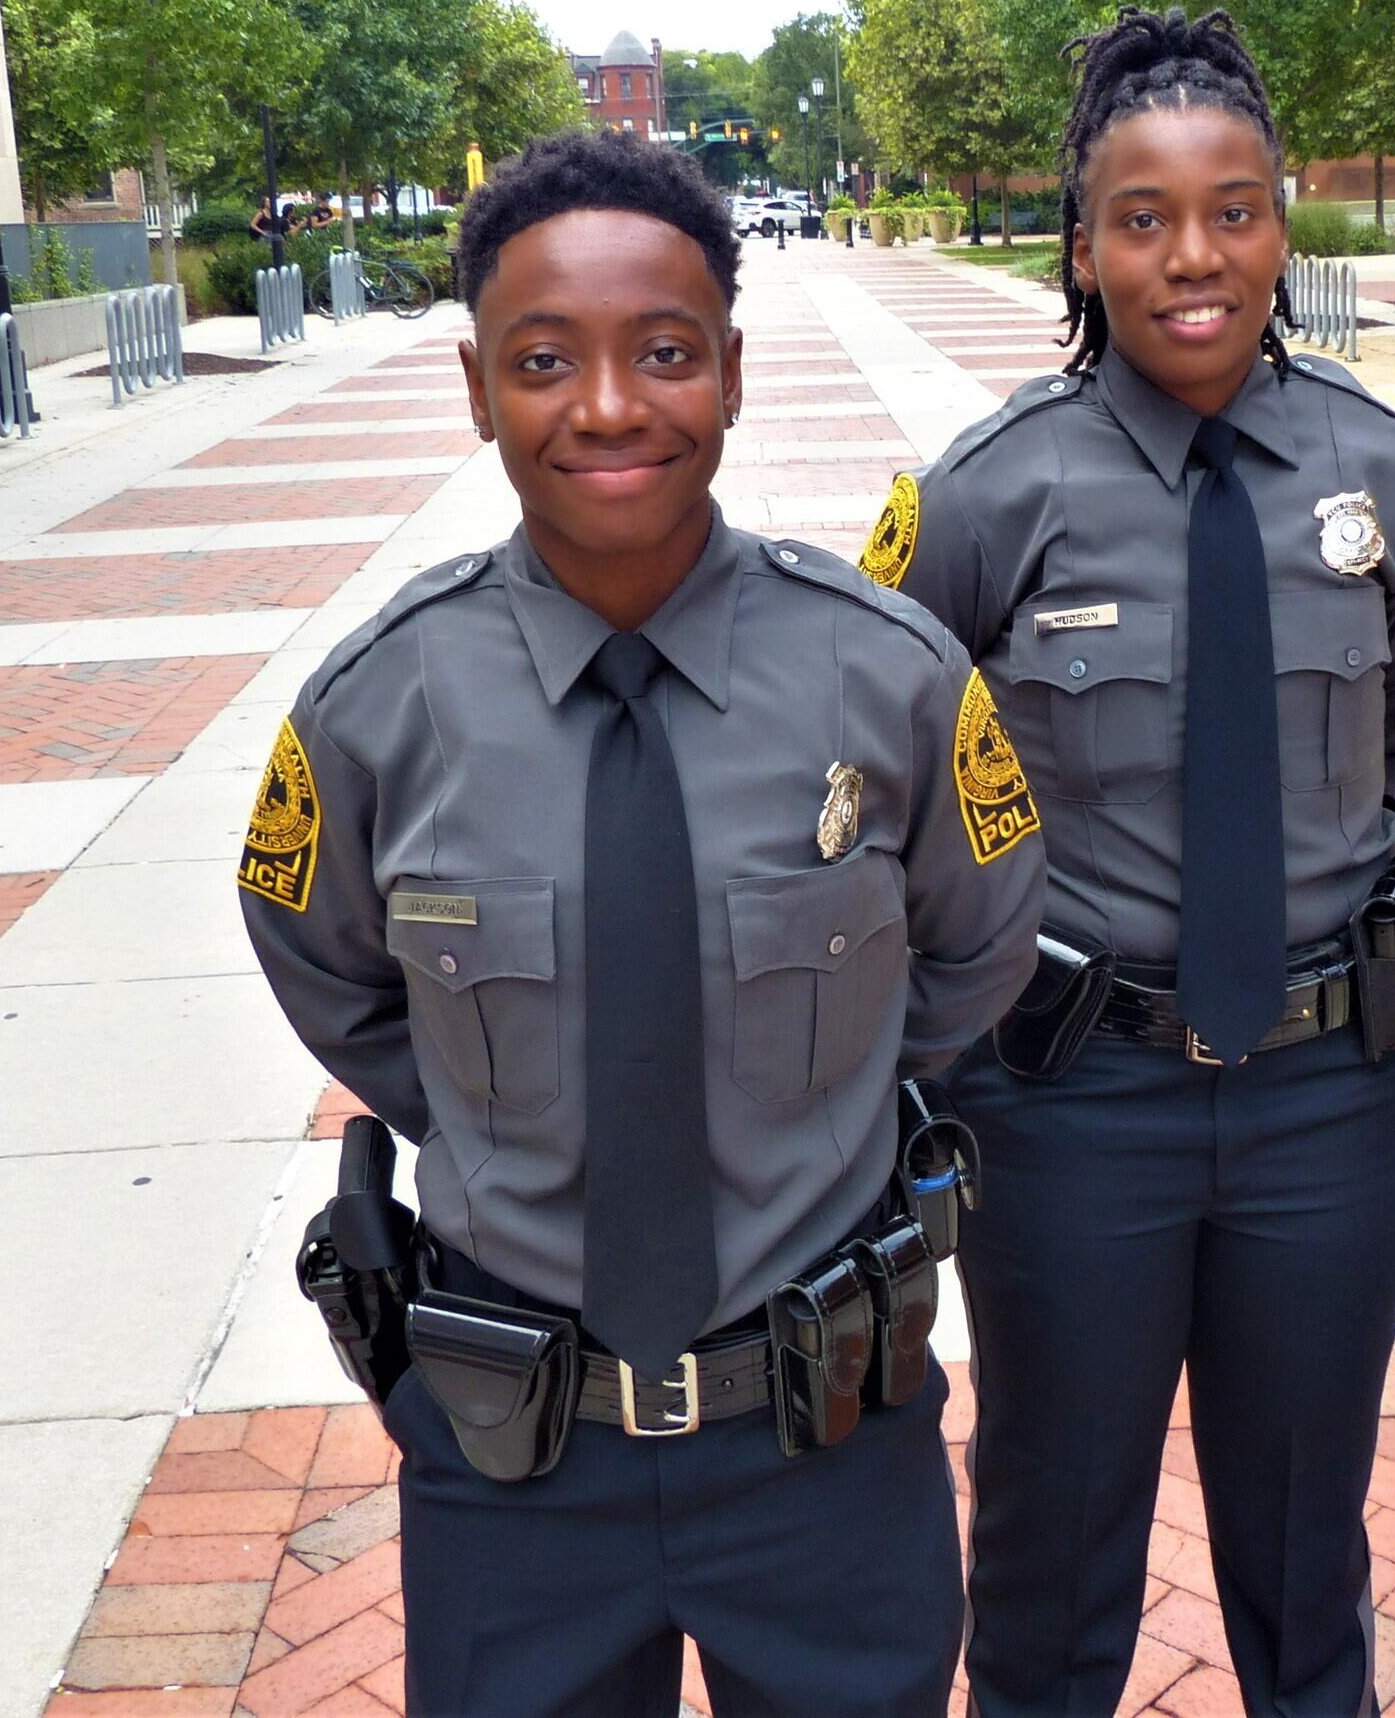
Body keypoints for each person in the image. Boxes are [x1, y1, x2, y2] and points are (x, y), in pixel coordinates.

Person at [239, 127, 1045, 1717]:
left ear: (733, 373)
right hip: (513, 1469)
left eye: (664, 352)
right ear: (479, 387)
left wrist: (799, 1104)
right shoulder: (378, 711)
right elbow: (332, 972)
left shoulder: (887, 681)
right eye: (546, 360)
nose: (609, 405)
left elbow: (973, 949)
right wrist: (518, 1109)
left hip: (825, 1448)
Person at [869, 6, 1395, 1717]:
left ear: (1283, 224)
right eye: (1142, 218)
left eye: (1233, 208)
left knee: (1309, 1565)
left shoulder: (1392, 478)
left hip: (1329, 1099)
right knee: (1055, 1564)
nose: (1193, 256)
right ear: (1083, 246)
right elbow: (889, 757)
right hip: (1072, 1110)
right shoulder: (992, 496)